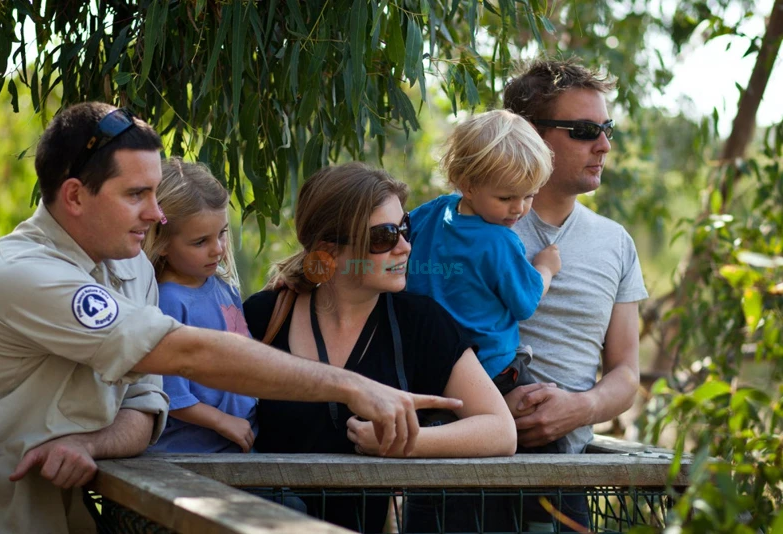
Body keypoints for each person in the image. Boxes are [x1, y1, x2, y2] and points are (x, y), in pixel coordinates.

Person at [0, 103, 461, 534]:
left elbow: (146, 403)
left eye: (155, 193)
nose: (156, 214)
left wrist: (92, 443)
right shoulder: (25, 275)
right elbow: (185, 353)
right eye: (136, 194)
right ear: (74, 196)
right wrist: (352, 386)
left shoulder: (129, 268)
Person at [242, 162, 516, 532]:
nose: (404, 246)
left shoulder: (418, 322)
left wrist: (404, 441)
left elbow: (501, 430)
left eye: (405, 228)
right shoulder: (265, 316)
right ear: (328, 249)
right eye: (384, 236)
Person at [503, 58, 649, 530]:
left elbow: (626, 372)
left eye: (606, 129)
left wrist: (577, 409)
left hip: (566, 478)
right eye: (585, 130)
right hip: (455, 476)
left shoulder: (616, 242)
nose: (603, 145)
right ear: (531, 134)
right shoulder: (467, 226)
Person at [405, 110, 567, 449]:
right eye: (506, 198)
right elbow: (525, 303)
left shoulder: (432, 213)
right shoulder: (499, 242)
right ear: (467, 185)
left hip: (431, 370)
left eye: (529, 195)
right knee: (551, 441)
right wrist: (546, 268)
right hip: (493, 371)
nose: (519, 209)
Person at [141, 158, 258, 453]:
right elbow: (169, 392)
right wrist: (222, 421)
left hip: (239, 445)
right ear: (162, 242)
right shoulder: (167, 302)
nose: (217, 249)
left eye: (222, 233)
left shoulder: (224, 287)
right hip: (192, 455)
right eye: (200, 242)